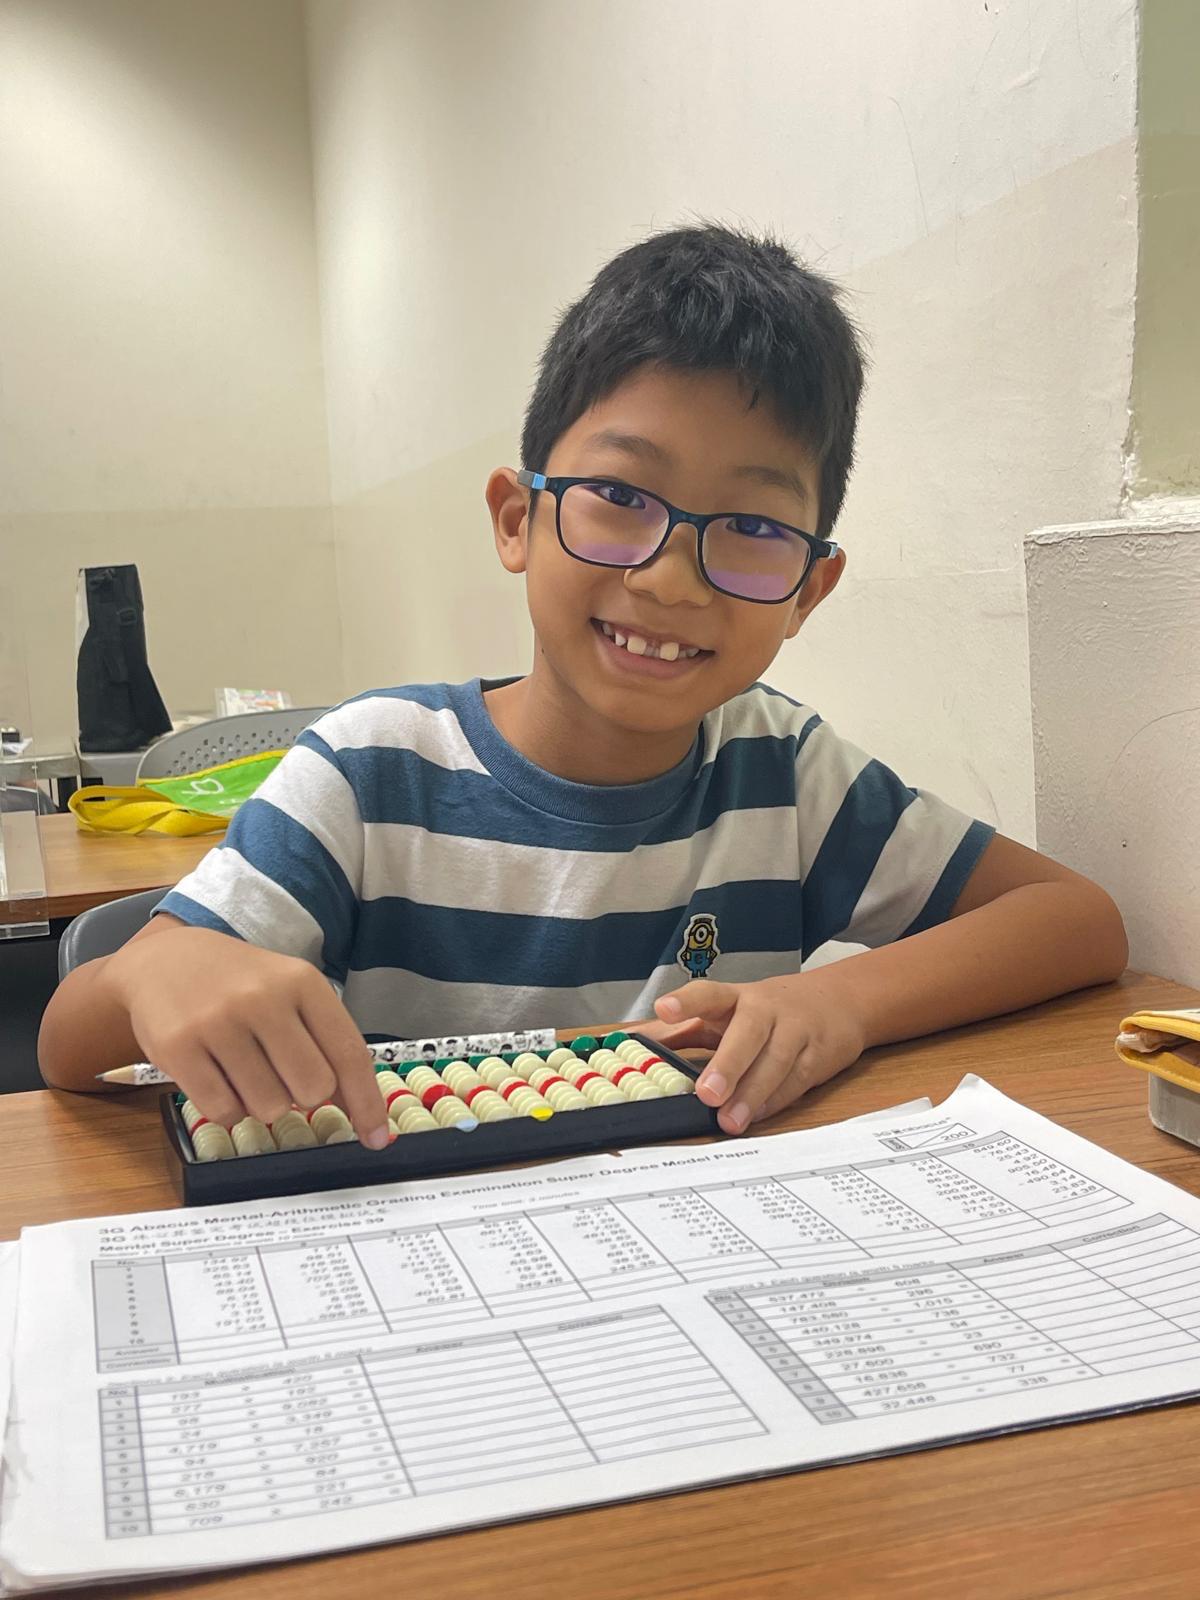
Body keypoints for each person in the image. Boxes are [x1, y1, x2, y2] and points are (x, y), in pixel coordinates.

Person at [39, 225, 1127, 1148]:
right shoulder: (371, 775)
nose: (670, 579)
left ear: (809, 588)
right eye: (620, 497)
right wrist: (152, 976)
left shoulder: (787, 772)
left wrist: (839, 1000)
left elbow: (1073, 919)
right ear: (519, 518)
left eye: (752, 528)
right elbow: (68, 1047)